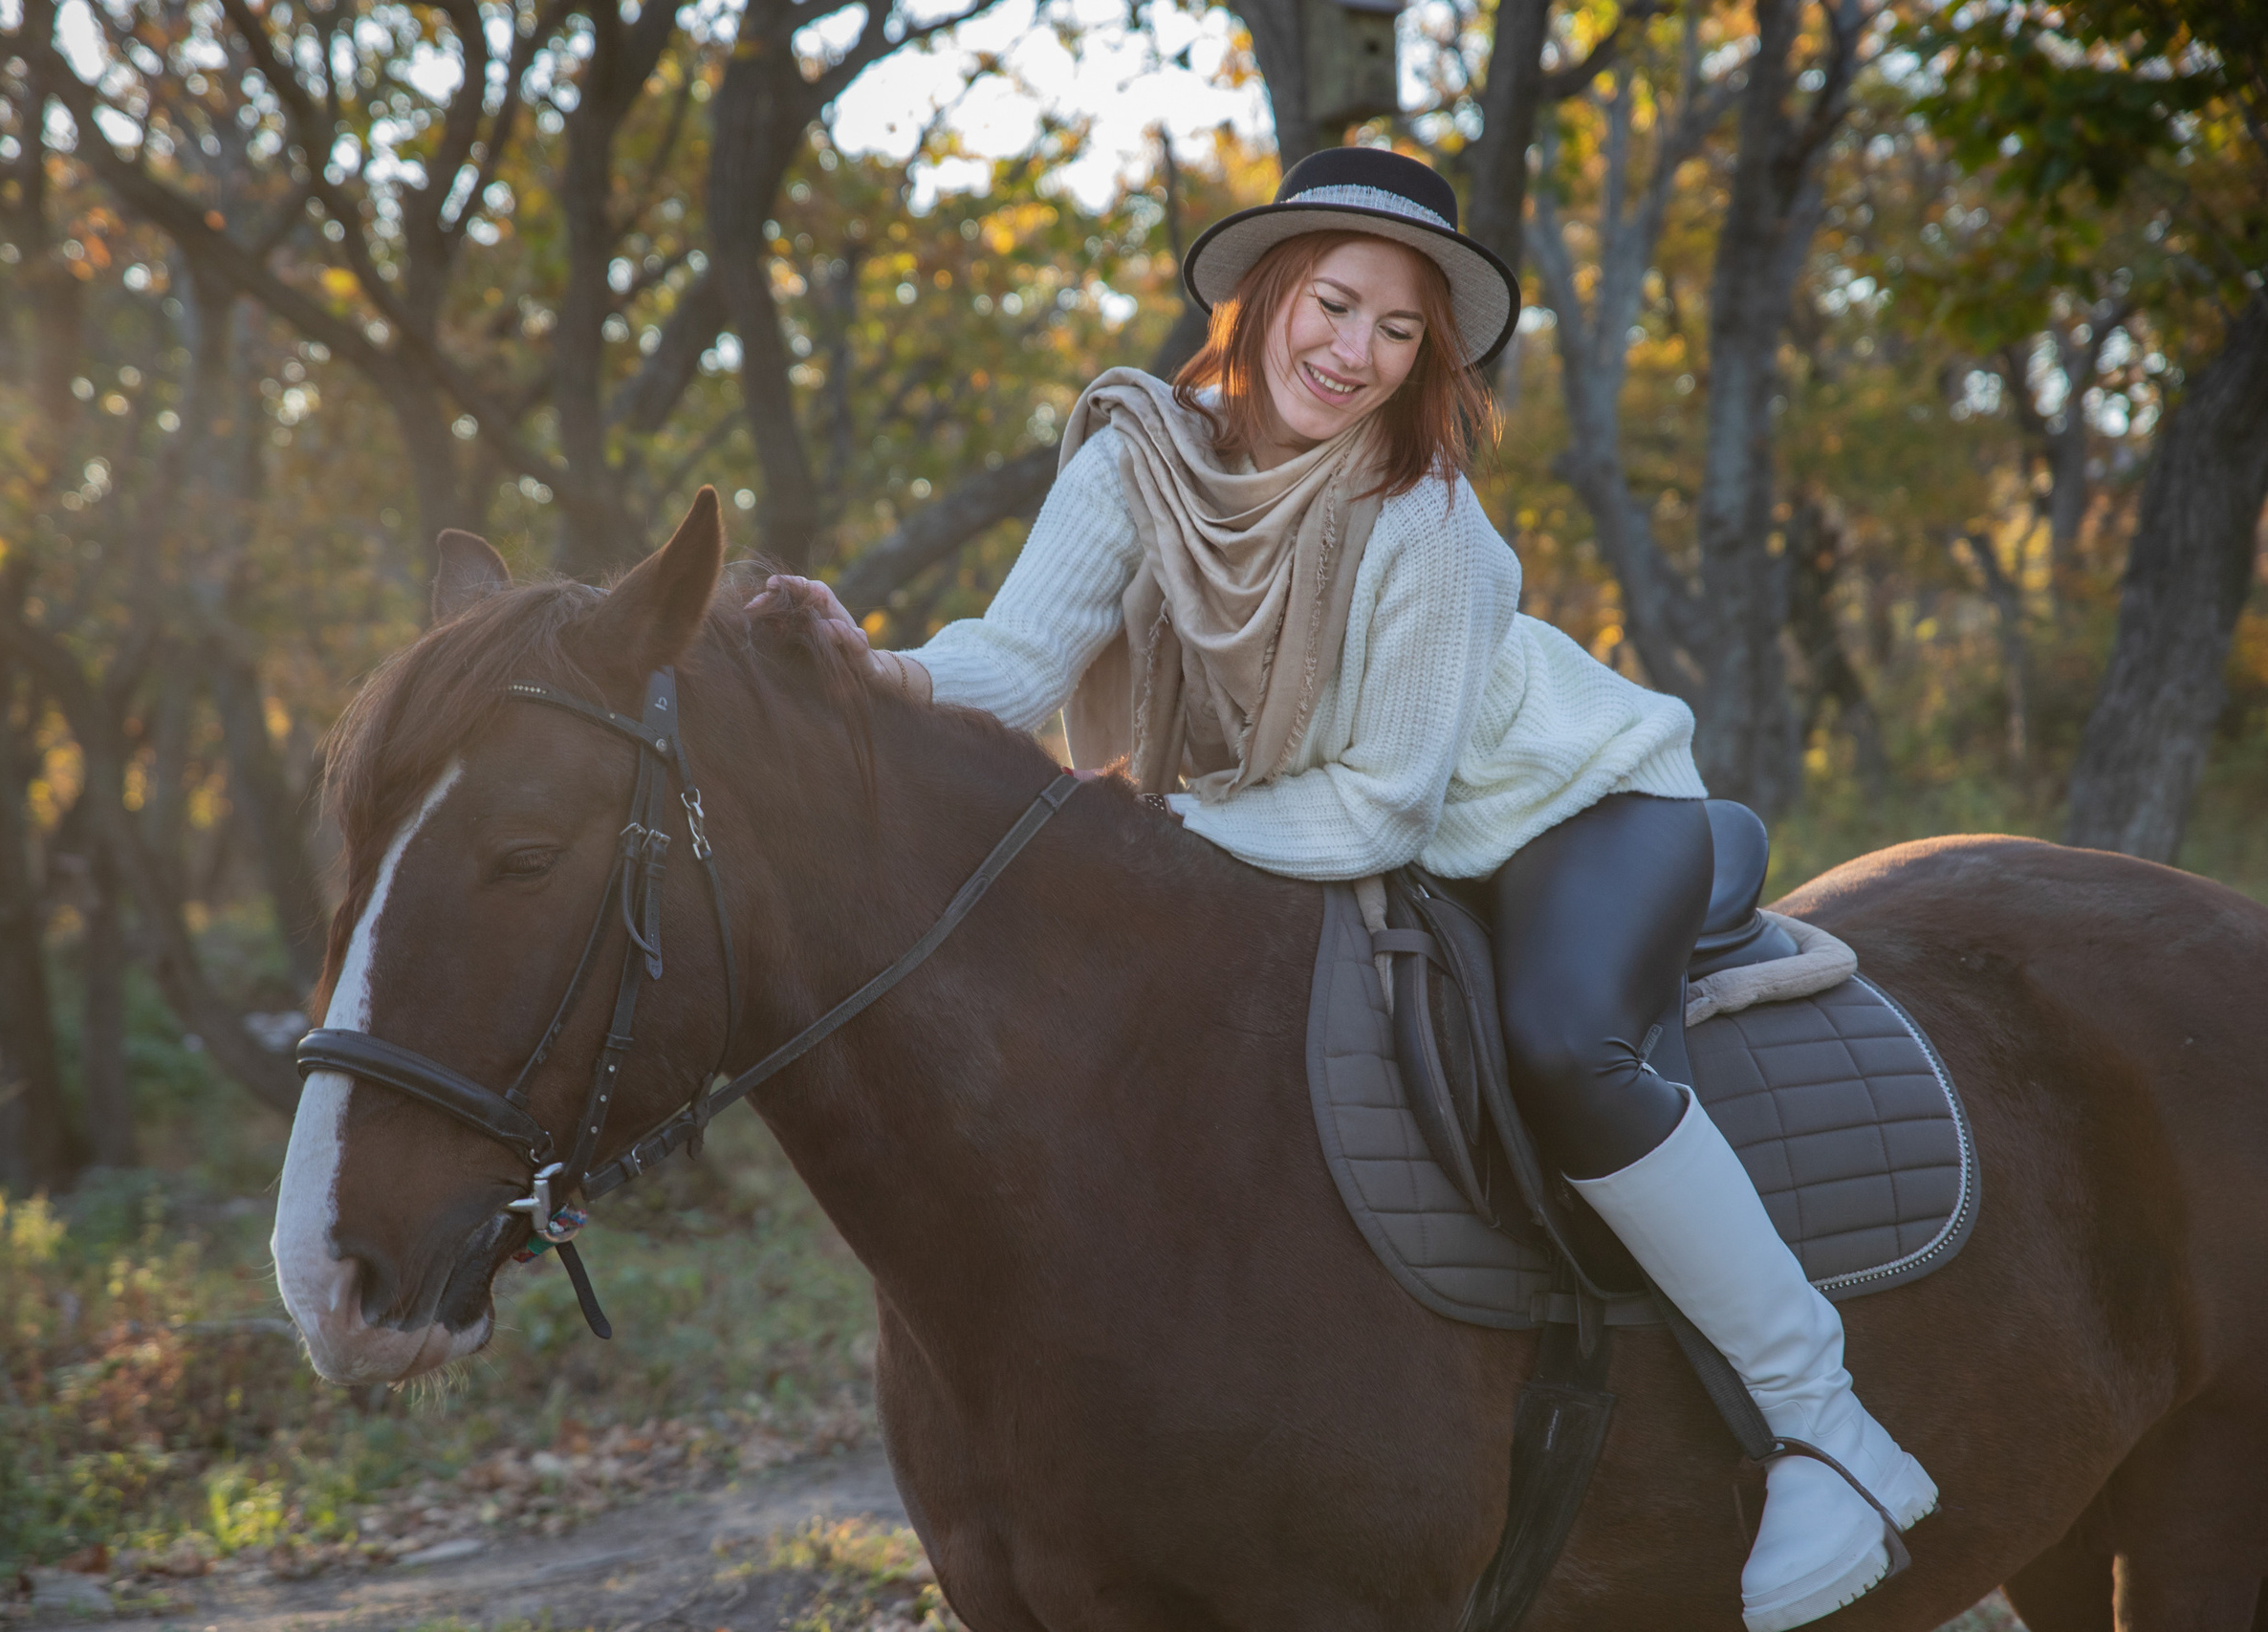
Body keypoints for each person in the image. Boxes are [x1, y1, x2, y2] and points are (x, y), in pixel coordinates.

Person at [757, 146, 1934, 1631]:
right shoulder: (1142, 455)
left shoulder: (1424, 522)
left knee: (1570, 1046)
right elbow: (1022, 660)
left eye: (1400, 332)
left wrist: (1140, 833)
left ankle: (1826, 1421)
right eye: (1335, 304)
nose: (1357, 354)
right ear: (1262, 300)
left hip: (1569, 808)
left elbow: (1386, 802)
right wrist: (881, 668)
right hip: (1299, 815)